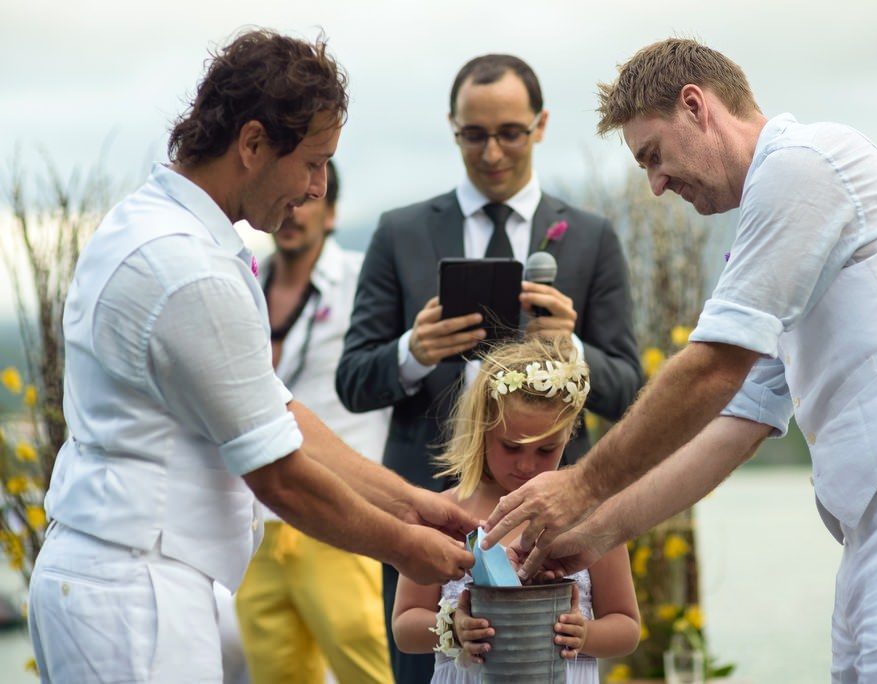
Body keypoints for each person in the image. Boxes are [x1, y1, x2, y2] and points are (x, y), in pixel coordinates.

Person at [484, 38, 877, 682]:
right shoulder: (775, 228)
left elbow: (710, 369)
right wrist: (588, 539)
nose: (656, 185)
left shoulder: (803, 167)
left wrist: (580, 486)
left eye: (653, 156)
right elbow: (730, 428)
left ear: (696, 106)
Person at [27, 30, 475, 683]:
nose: (319, 189)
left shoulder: (149, 223)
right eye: (314, 162)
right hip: (135, 598)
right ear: (254, 143)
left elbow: (277, 409)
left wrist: (411, 502)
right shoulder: (189, 271)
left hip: (114, 578)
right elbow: (278, 475)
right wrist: (409, 549)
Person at [336, 53, 643, 682]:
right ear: (453, 128)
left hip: (553, 505)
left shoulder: (590, 236)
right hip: (431, 501)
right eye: (474, 135)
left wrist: (573, 346)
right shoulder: (400, 232)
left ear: (541, 125)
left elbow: (629, 388)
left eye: (509, 132)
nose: (492, 151)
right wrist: (411, 351)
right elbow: (352, 379)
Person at [392, 337, 640, 683]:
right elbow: (405, 626)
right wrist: (452, 628)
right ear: (483, 430)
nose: (527, 465)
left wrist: (585, 635)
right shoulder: (444, 514)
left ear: (570, 434)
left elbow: (627, 626)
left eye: (546, 450)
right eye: (511, 447)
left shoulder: (591, 517)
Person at [234, 160, 393, 683]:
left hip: (340, 515)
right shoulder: (242, 280)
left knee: (370, 669)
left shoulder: (362, 281)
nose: (297, 212)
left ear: (331, 213)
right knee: (277, 674)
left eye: (311, 201)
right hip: (259, 517)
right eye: (290, 199)